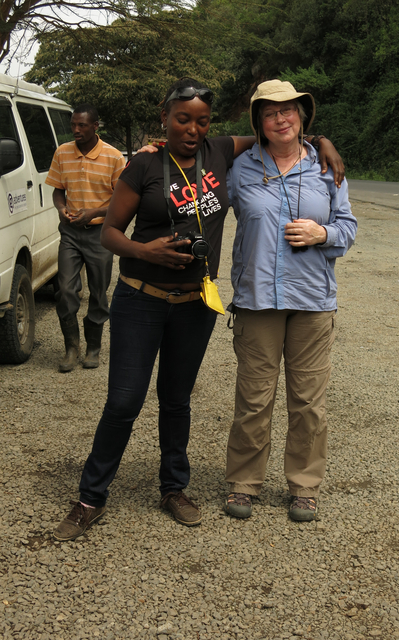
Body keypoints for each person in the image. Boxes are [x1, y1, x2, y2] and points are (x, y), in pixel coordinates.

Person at [52, 78, 345, 540]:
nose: (192, 128)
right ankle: (90, 497)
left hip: (195, 302)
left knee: (177, 400)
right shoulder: (143, 164)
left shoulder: (220, 152)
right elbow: (109, 233)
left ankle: (173, 488)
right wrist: (147, 252)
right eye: (182, 118)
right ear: (164, 118)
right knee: (124, 401)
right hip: (140, 297)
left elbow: (282, 134)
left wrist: (322, 141)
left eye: (201, 120)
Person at [224, 80, 357, 522]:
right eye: (270, 112)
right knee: (254, 398)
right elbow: (198, 187)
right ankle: (244, 483)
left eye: (289, 110)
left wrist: (325, 234)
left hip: (313, 301)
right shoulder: (241, 167)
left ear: (302, 115)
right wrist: (157, 153)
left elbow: (348, 227)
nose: (280, 119)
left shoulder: (326, 167)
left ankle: (304, 486)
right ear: (258, 122)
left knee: (308, 402)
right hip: (257, 300)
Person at [46, 104, 125, 372]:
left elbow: (122, 199)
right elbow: (58, 190)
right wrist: (61, 209)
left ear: (95, 126)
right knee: (66, 289)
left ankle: (94, 347)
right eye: (73, 125)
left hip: (100, 234)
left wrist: (93, 212)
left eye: (82, 125)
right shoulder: (62, 152)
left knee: (99, 292)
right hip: (70, 234)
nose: (76, 130)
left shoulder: (114, 157)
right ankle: (71, 347)